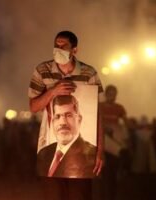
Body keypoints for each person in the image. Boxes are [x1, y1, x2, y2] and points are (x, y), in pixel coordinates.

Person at [28, 30, 103, 200]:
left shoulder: (88, 73)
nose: (58, 48)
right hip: (49, 150)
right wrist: (54, 91)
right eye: (56, 45)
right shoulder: (42, 70)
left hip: (82, 163)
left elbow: (98, 113)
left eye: (63, 45)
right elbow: (33, 107)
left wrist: (100, 150)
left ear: (74, 50)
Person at [37, 95, 96, 178]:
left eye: (68, 115)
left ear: (79, 120)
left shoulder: (92, 156)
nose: (62, 122)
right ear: (52, 122)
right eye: (57, 116)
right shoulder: (43, 153)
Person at [99, 84, 130, 200]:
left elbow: (127, 123)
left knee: (112, 172)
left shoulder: (120, 108)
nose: (112, 96)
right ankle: (102, 195)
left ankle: (111, 195)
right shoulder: (99, 106)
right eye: (110, 94)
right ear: (106, 94)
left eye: (114, 94)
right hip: (102, 144)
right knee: (103, 173)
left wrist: (131, 129)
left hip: (115, 144)